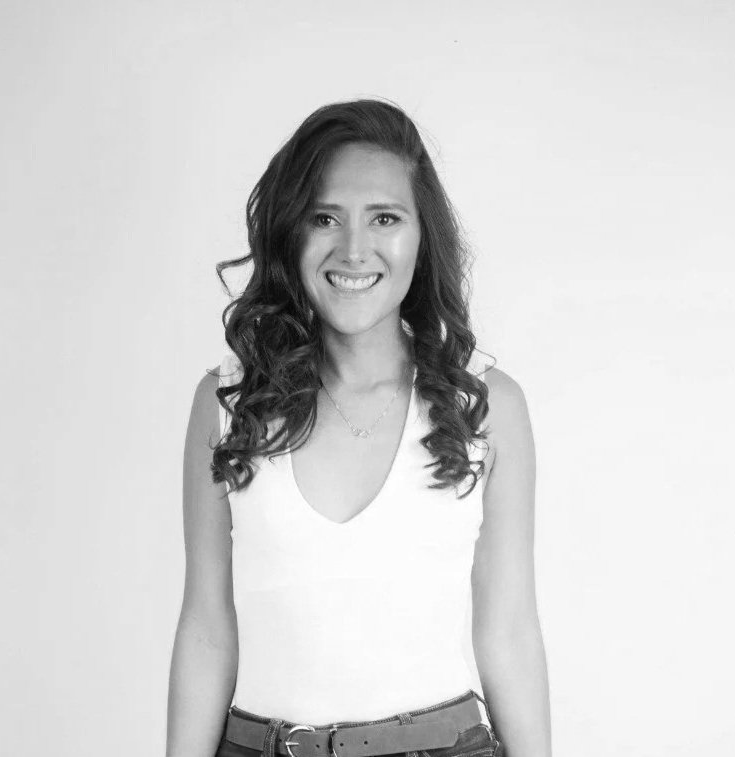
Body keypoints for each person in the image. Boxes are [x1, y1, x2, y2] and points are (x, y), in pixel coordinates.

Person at [167, 99, 551, 757]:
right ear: (291, 232)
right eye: (324, 218)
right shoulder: (229, 402)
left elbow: (509, 630)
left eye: (385, 218)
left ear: (422, 235)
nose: (353, 249)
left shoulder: (485, 405)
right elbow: (207, 626)